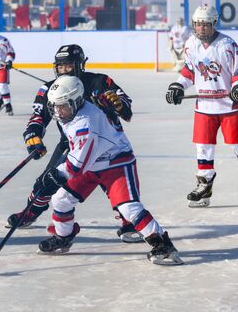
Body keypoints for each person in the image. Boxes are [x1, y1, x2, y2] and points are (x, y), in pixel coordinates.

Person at [34, 75, 182, 265]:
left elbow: (76, 166)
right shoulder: (72, 111)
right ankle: (64, 237)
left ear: (77, 101)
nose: (58, 111)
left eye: (63, 105)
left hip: (116, 162)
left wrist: (54, 175)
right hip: (91, 161)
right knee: (61, 199)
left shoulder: (85, 123)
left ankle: (164, 245)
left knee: (128, 208)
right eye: (55, 106)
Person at [7, 44, 141, 243]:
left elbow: (126, 108)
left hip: (104, 143)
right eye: (60, 67)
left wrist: (118, 104)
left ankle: (128, 220)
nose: (63, 71)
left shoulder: (100, 81)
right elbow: (37, 117)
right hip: (70, 143)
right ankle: (30, 211)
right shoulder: (50, 89)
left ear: (80, 65)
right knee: (47, 180)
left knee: (111, 182)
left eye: (68, 66)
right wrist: (33, 136)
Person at [166, 4, 238, 207]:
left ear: (214, 24)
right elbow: (190, 70)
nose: (201, 29)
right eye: (198, 25)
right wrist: (178, 86)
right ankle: (204, 184)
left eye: (205, 25)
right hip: (204, 106)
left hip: (229, 106)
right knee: (203, 146)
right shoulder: (191, 44)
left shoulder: (227, 45)